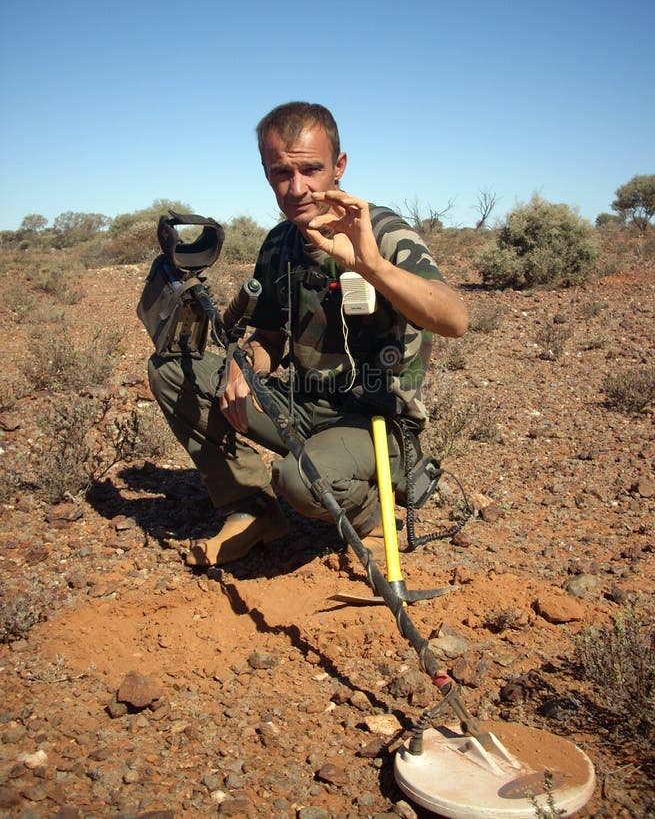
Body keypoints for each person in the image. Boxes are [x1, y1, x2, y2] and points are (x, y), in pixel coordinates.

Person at [148, 102, 468, 566]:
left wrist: (371, 266)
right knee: (173, 370)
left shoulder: (381, 232)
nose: (297, 188)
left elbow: (454, 319)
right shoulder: (280, 243)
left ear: (339, 167)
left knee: (301, 479)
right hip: (303, 401)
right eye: (281, 173)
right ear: (265, 171)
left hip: (379, 421)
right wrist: (245, 364)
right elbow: (272, 334)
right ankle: (251, 510)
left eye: (311, 170)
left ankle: (374, 514)